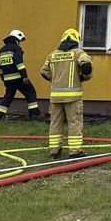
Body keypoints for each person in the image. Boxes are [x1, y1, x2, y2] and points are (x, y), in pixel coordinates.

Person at [40, 28, 93, 159]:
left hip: (55, 98)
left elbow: (44, 72)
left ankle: (54, 151)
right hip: (72, 98)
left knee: (55, 124)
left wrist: (55, 80)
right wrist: (83, 76)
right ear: (76, 39)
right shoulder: (78, 53)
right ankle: (75, 151)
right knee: (74, 123)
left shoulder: (52, 55)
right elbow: (86, 66)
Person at [0, 29, 39, 120]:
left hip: (8, 80)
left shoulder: (1, 51)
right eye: (20, 41)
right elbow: (19, 63)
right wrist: (24, 76)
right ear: (17, 39)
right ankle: (34, 115)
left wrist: (3, 79)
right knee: (31, 93)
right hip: (18, 78)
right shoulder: (16, 48)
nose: (20, 43)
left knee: (8, 96)